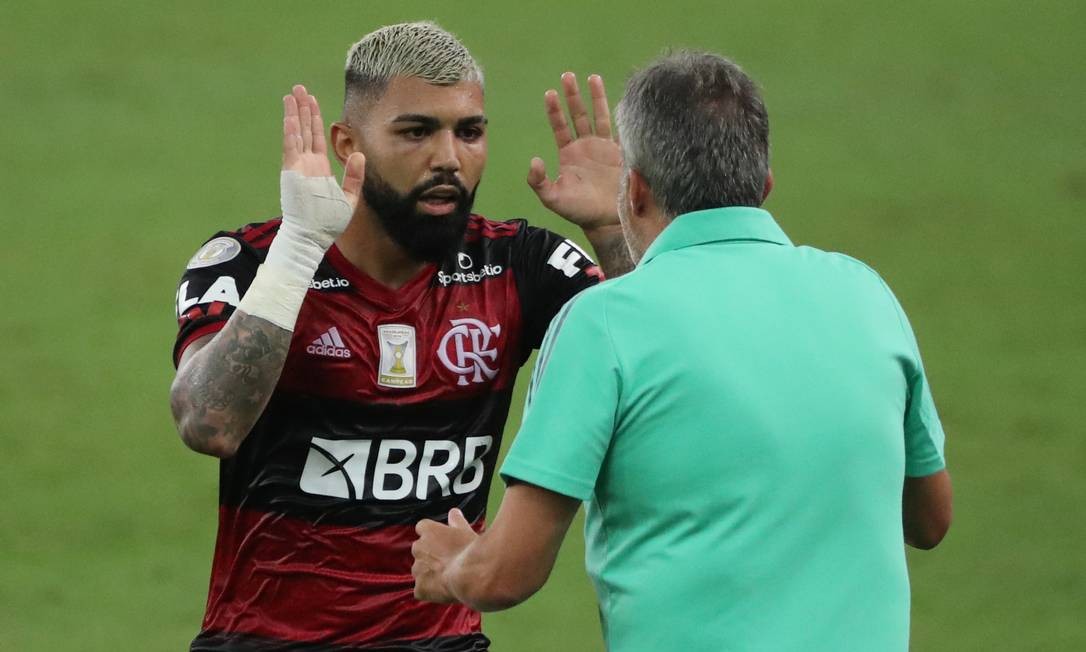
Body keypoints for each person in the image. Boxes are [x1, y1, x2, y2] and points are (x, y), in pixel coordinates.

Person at [411, 51, 953, 651]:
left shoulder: (601, 324)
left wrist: (453, 566)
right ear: (764, 187)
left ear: (635, 190)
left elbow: (505, 574)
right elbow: (929, 521)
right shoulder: (865, 292)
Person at [169, 22, 629, 651]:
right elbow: (208, 424)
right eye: (416, 131)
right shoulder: (250, 265)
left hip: (443, 642)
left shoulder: (521, 265)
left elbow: (655, 368)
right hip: (264, 641)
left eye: (469, 131)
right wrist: (299, 248)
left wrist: (612, 233)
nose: (449, 158)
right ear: (346, 143)